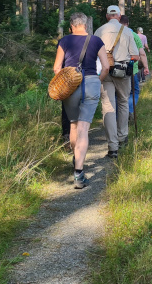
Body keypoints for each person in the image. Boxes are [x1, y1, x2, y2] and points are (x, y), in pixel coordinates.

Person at [53, 12, 109, 188]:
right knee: (84, 128)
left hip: (70, 85)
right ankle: (79, 173)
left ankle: (75, 159)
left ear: (71, 26)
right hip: (91, 83)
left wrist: (66, 82)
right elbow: (106, 67)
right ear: (85, 25)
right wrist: (97, 81)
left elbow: (56, 68)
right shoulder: (96, 41)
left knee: (73, 125)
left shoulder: (64, 41)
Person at [94, 6, 139, 159]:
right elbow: (136, 55)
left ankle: (112, 147)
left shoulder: (99, 31)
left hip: (105, 71)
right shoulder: (127, 32)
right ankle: (122, 137)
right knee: (123, 102)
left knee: (107, 106)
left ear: (107, 16)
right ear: (119, 17)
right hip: (122, 72)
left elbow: (93, 54)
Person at [120, 15, 149, 117]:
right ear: (127, 23)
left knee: (117, 93)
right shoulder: (134, 35)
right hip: (132, 68)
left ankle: (118, 114)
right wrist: (146, 67)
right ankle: (129, 109)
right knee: (134, 91)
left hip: (116, 68)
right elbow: (142, 53)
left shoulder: (114, 34)